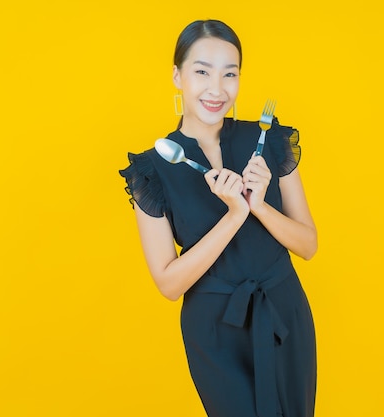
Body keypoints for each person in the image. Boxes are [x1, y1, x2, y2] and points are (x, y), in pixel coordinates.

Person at [119, 19, 318, 417]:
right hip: (215, 329)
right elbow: (169, 283)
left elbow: (308, 245)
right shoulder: (152, 169)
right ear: (177, 76)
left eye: (230, 74)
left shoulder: (268, 141)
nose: (217, 88)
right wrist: (234, 215)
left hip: (284, 310)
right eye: (202, 72)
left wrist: (260, 204)